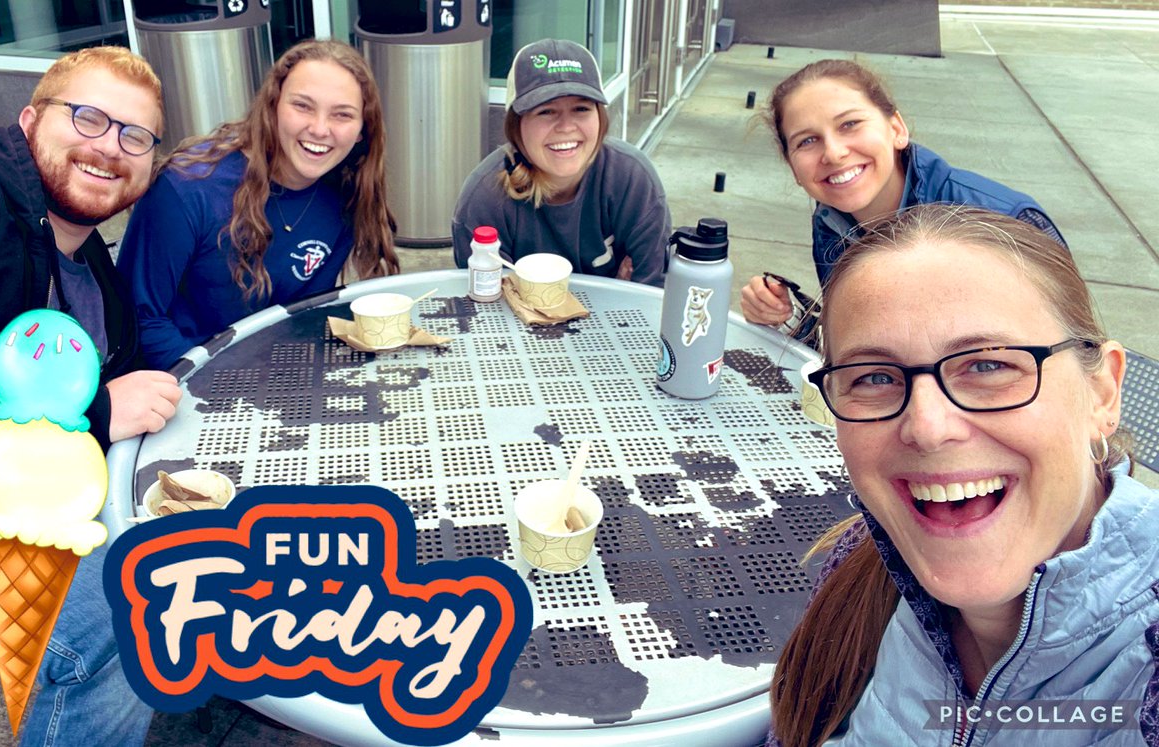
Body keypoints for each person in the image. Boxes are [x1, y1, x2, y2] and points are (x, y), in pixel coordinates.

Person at [767, 205, 1153, 747]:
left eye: (989, 365)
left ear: (1102, 393)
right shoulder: (860, 566)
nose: (927, 428)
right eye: (874, 376)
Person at [0, 46, 176, 744]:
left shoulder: (87, 261)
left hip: (15, 510)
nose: (109, 146)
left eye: (133, 135)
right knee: (120, 614)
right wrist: (99, 413)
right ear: (29, 119)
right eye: (88, 118)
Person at [118, 39, 398, 371]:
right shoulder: (189, 189)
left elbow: (304, 316)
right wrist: (227, 385)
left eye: (342, 115)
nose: (320, 129)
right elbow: (138, 318)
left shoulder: (346, 195)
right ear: (273, 106)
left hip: (275, 378)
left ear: (361, 131)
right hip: (184, 380)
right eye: (303, 106)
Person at [740, 60, 1066, 333]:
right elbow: (869, 341)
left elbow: (1073, 349)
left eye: (850, 124)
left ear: (896, 129)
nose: (834, 153)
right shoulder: (830, 224)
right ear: (793, 168)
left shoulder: (1005, 222)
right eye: (807, 141)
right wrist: (785, 316)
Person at [452, 38, 671, 287]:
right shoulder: (483, 201)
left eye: (581, 109)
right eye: (546, 111)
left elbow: (651, 295)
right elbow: (491, 310)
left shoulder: (633, 180)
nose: (566, 127)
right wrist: (617, 288)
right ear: (516, 125)